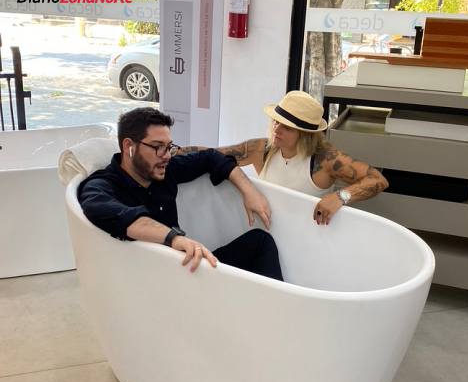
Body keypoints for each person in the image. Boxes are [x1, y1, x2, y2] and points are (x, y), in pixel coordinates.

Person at [78, 107, 283, 280]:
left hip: (186, 270)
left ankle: (276, 308)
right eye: (157, 147)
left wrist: (250, 191)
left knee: (259, 241)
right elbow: (116, 214)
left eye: (168, 147)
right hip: (153, 284)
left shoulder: (164, 170)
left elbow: (210, 158)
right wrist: (175, 239)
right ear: (128, 146)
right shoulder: (100, 185)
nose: (166, 156)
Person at [181, 90, 388, 225]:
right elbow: (213, 155)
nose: (277, 129)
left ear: (305, 134)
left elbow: (378, 180)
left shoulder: (325, 159)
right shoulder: (261, 149)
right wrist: (175, 151)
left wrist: (340, 197)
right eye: (276, 121)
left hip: (310, 236)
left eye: (287, 127)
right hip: (268, 229)